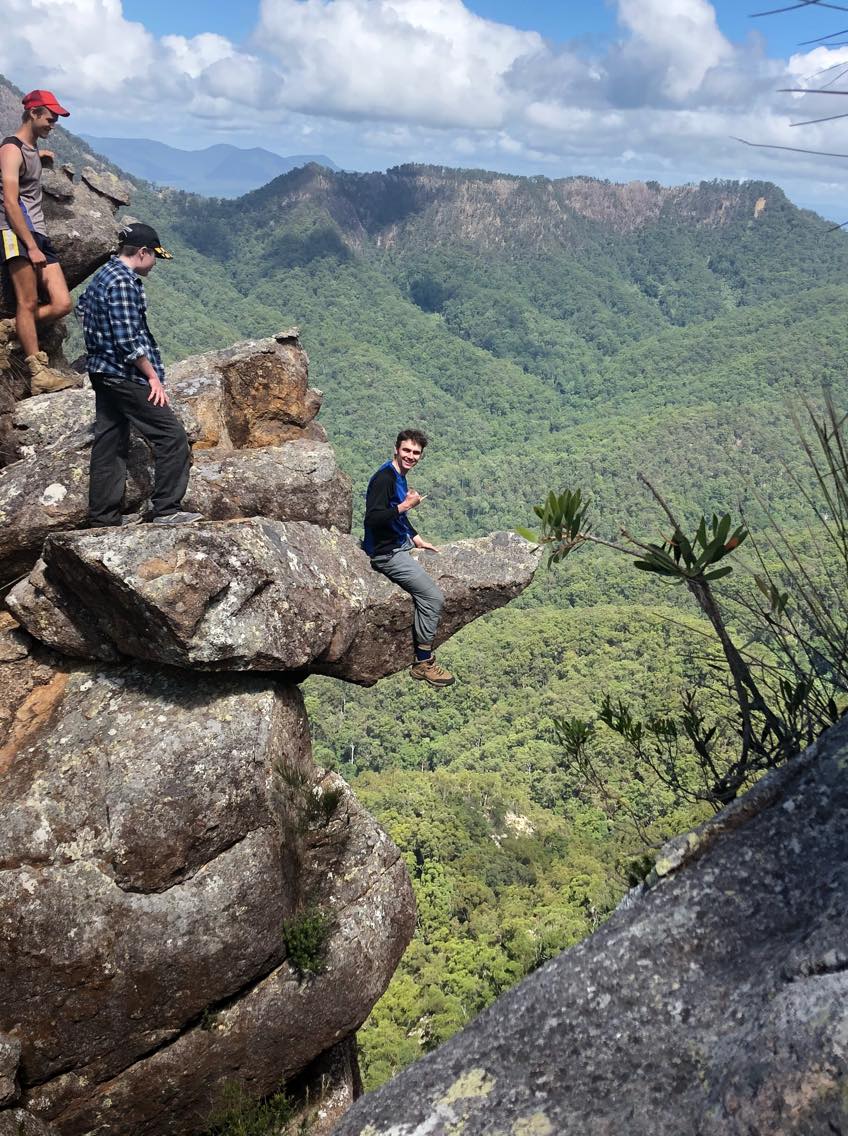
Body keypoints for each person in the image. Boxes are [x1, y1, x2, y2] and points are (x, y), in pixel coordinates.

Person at [75, 221, 202, 527]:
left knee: (110, 441)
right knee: (171, 437)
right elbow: (129, 341)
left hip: (101, 371)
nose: (156, 262)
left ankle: (103, 519)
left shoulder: (103, 274)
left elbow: (81, 309)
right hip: (124, 375)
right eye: (155, 256)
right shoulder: (122, 283)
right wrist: (152, 377)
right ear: (142, 252)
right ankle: (167, 510)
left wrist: (99, 343)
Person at [364, 429, 455, 687]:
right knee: (432, 597)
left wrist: (416, 538)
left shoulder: (398, 475)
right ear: (396, 449)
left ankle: (423, 661)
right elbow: (373, 517)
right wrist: (405, 506)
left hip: (399, 543)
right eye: (406, 450)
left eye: (416, 453)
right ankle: (423, 663)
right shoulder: (384, 478)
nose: (410, 456)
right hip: (386, 553)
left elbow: (397, 515)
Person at [0, 89, 76, 393]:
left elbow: (26, 168)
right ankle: (38, 372)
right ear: (33, 113)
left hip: (39, 234)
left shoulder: (29, 150)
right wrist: (29, 245)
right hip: (15, 233)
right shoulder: (10, 150)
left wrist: (40, 157)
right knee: (28, 302)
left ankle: (11, 329)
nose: (53, 124)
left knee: (61, 303)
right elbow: (9, 200)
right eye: (50, 117)